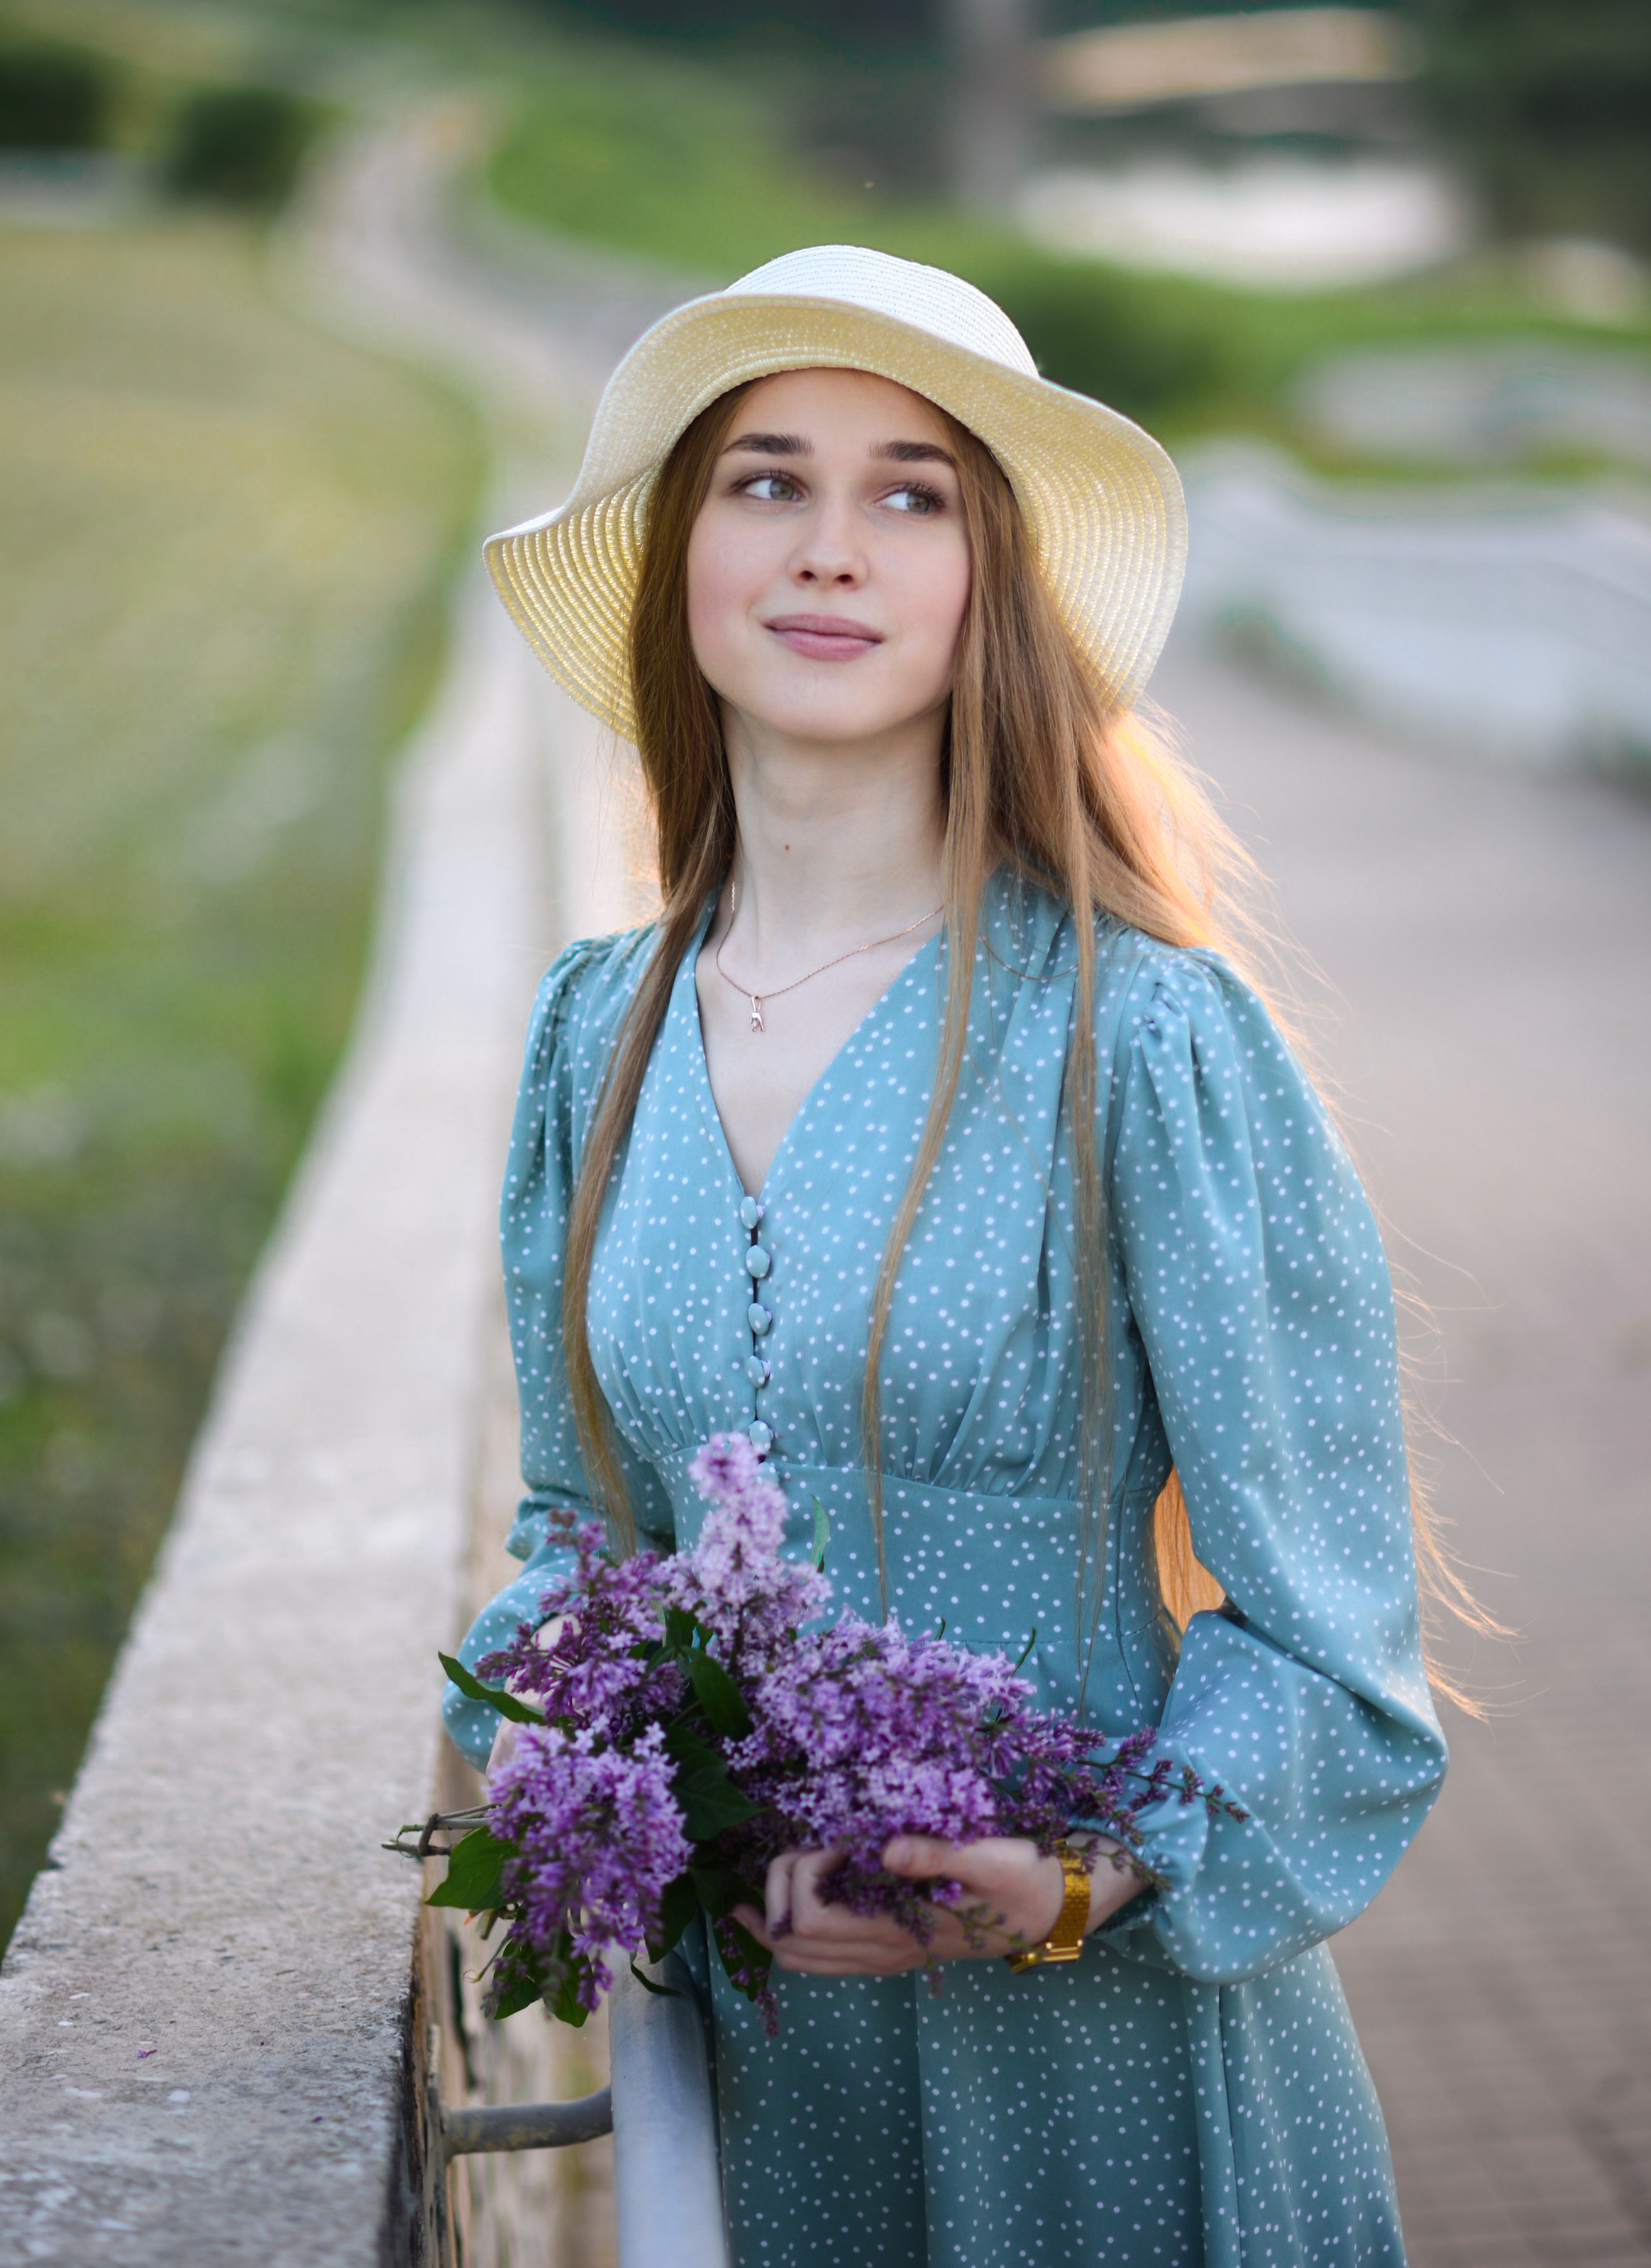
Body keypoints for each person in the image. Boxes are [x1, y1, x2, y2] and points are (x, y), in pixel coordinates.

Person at [445, 245, 1447, 2267]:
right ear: (685, 560)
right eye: (768, 481)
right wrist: (599, 1785)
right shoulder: (593, 1031)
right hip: (759, 2091)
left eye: (911, 492)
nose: (833, 549)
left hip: (1107, 2087)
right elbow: (580, 1537)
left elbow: (1334, 1638)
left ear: (989, 579)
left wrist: (1072, 1874)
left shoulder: (1143, 1038)